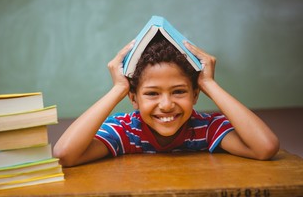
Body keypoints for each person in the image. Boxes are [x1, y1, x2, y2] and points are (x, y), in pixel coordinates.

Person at [53, 34, 279, 167]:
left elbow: (265, 148)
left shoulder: (206, 128)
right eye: (152, 93)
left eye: (179, 91)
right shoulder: (124, 131)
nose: (167, 104)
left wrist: (209, 83)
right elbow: (64, 155)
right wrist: (119, 88)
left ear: (196, 94)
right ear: (133, 98)